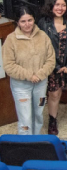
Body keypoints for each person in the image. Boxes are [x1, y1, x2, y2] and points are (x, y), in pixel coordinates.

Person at [3, 7, 55, 135]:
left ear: (34, 19)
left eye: (30, 20)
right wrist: (29, 76)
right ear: (17, 22)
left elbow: (51, 60)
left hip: (41, 84)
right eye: (23, 21)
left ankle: (37, 142)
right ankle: (25, 146)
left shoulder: (43, 36)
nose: (27, 24)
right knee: (25, 118)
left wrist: (40, 74)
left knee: (39, 113)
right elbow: (8, 65)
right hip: (21, 86)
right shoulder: (11, 40)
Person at [38, 0, 67, 135]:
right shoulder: (43, 23)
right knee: (54, 94)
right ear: (51, 6)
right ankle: (52, 121)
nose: (60, 8)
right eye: (57, 5)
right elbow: (41, 47)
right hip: (51, 65)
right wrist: (55, 66)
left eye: (63, 5)